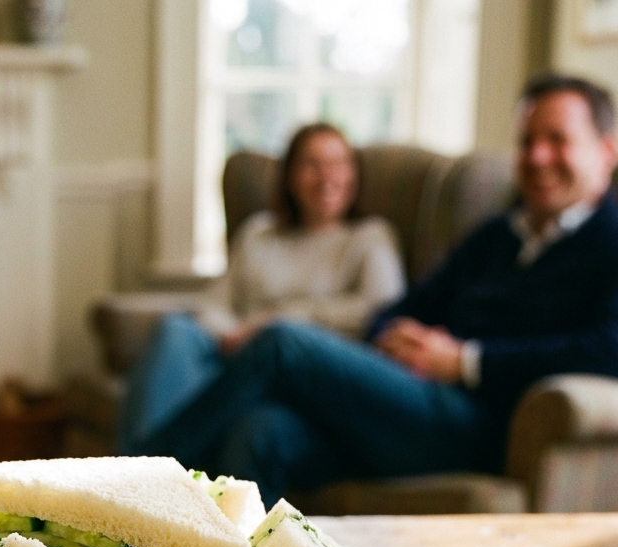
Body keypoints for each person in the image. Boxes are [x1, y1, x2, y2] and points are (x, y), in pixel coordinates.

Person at [124, 74, 618, 509]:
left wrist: (465, 361)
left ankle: (129, 490)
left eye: (557, 140)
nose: (536, 157)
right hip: (404, 398)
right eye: (528, 140)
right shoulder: (499, 234)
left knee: (281, 342)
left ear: (607, 150)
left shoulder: (609, 238)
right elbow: (399, 309)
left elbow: (607, 349)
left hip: (473, 422)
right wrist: (394, 336)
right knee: (260, 432)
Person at [120, 123, 405, 452]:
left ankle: (142, 476)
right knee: (175, 330)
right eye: (312, 164)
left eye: (339, 163)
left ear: (354, 174)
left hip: (294, 368)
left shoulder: (370, 237)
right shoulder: (258, 232)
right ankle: (137, 474)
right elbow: (213, 304)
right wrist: (232, 335)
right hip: (232, 355)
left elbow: (381, 311)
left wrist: (275, 321)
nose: (327, 177)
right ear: (289, 175)